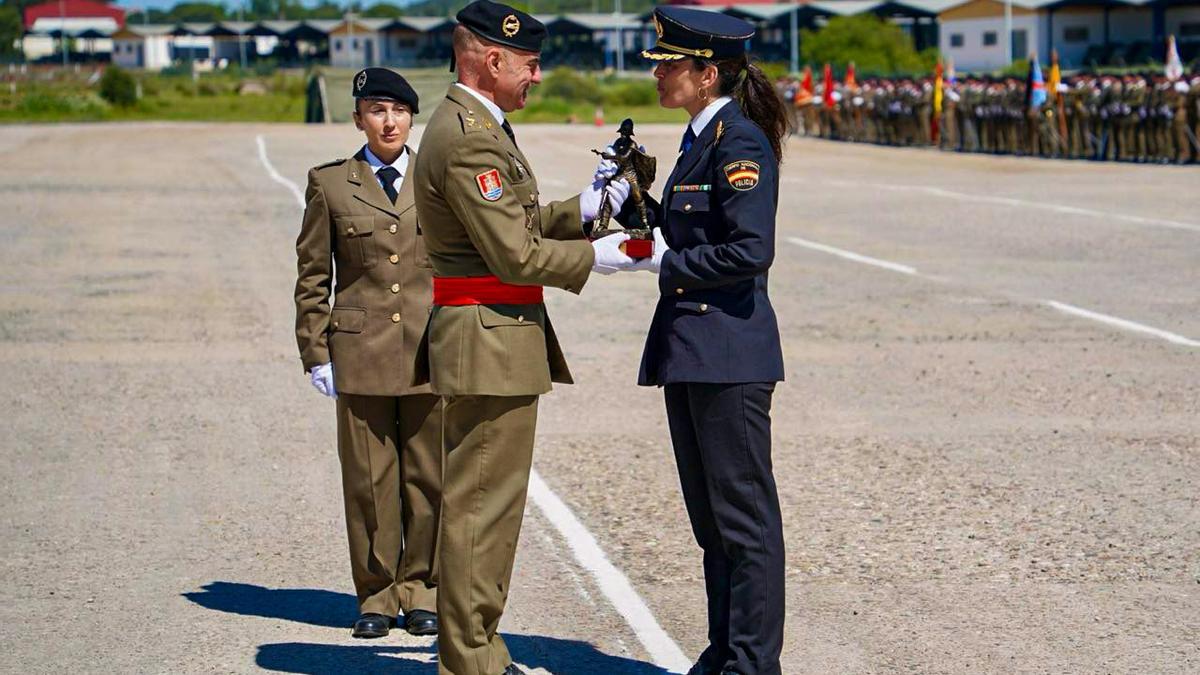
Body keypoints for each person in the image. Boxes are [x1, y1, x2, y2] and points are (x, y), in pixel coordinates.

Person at [409, 2, 633, 673]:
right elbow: (515, 255)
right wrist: (611, 256)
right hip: (488, 340)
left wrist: (590, 210)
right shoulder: (470, 135)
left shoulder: (475, 125)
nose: (537, 75)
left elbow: (519, 219)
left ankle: (475, 647)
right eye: (530, 63)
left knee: (488, 506)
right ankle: (470, 658)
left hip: (491, 340)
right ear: (492, 59)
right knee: (482, 508)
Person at [630, 6, 787, 674]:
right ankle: (726, 650)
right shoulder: (701, 138)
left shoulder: (739, 140)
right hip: (693, 350)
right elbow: (694, 230)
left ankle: (752, 663)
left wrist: (655, 262)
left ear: (707, 73)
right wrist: (641, 206)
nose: (661, 74)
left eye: (671, 64)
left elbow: (750, 250)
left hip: (729, 353)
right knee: (712, 525)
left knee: (744, 525)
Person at [293, 68, 441, 639]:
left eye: (399, 111)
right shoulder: (330, 184)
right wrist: (315, 351)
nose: (389, 121)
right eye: (377, 110)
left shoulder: (435, 177)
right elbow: (312, 276)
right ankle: (378, 596)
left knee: (430, 480)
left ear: (412, 118)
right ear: (358, 118)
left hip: (431, 350)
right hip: (359, 354)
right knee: (370, 484)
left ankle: (423, 590)